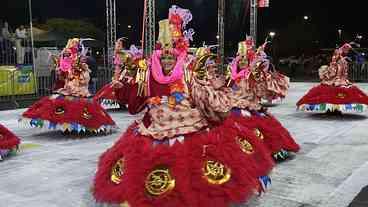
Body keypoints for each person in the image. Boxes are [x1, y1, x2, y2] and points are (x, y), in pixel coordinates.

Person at [93, 6, 274, 207]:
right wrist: (121, 87)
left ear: (177, 58)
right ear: (159, 58)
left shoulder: (187, 74)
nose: (168, 61)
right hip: (157, 125)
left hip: (188, 121)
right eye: (165, 58)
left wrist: (217, 94)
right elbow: (134, 102)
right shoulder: (147, 75)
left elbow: (201, 95)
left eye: (171, 57)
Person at [20, 38, 116, 134]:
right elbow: (64, 77)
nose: (69, 56)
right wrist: (63, 73)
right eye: (67, 54)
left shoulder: (83, 66)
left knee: (81, 108)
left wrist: (78, 75)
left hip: (80, 91)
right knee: (63, 105)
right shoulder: (68, 66)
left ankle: (80, 126)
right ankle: (66, 125)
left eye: (71, 54)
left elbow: (85, 79)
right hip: (68, 90)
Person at [297, 43, 368, 113]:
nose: (348, 52)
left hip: (340, 80)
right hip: (337, 80)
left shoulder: (342, 60)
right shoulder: (340, 59)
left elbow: (341, 72)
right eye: (347, 50)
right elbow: (334, 71)